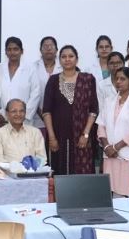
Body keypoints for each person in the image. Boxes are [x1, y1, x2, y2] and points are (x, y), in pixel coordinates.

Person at [42, 45, 98, 175]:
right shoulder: (53, 80)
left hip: (82, 135)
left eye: (71, 56)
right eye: (64, 57)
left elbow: (93, 110)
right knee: (59, 171)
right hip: (58, 134)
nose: (67, 59)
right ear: (59, 60)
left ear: (77, 59)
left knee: (81, 173)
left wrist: (85, 134)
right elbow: (46, 111)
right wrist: (52, 137)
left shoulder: (88, 79)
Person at [97, 67, 129, 197]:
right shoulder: (108, 101)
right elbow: (101, 125)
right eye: (116, 79)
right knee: (112, 192)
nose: (118, 82)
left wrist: (115, 147)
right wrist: (107, 147)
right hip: (110, 155)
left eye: (122, 79)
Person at [0, 37, 40, 128]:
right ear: (5, 52)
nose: (12, 52)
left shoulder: (30, 69)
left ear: (22, 51)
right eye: (9, 49)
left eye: (16, 49)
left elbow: (36, 93)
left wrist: (25, 115)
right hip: (2, 119)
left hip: (24, 119)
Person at [0, 99, 46, 163]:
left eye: (21, 111)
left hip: (32, 169)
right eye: (14, 111)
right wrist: (14, 167)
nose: (18, 114)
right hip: (8, 169)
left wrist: (30, 167)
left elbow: (42, 158)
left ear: (25, 113)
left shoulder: (35, 132)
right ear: (7, 114)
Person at [32, 36, 62, 137]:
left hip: (59, 117)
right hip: (37, 117)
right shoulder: (32, 68)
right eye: (45, 46)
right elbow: (30, 92)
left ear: (56, 50)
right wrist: (41, 113)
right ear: (40, 50)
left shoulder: (64, 67)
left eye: (51, 46)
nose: (48, 48)